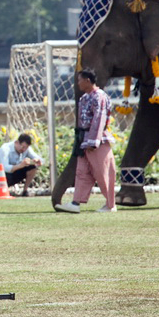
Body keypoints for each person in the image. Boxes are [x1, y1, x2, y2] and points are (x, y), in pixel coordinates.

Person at [56, 69, 116, 213]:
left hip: (97, 141)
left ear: (87, 80)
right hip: (84, 139)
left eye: (79, 80)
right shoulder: (84, 98)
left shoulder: (99, 97)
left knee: (102, 173)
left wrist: (93, 142)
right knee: (82, 172)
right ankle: (76, 203)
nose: (78, 83)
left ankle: (110, 204)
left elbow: (99, 120)